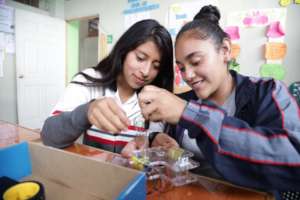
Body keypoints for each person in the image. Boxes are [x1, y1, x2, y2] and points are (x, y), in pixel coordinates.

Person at [137, 5, 300, 196]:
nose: (188, 75)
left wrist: (192, 115)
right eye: (181, 67)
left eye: (196, 62)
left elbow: (294, 160)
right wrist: (155, 138)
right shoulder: (184, 100)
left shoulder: (267, 92)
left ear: (225, 50)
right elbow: (162, 142)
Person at [41, 19, 174, 154]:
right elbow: (49, 136)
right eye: (140, 58)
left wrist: (153, 140)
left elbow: (151, 143)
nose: (146, 72)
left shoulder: (155, 97)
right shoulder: (89, 81)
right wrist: (86, 112)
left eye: (156, 66)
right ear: (124, 51)